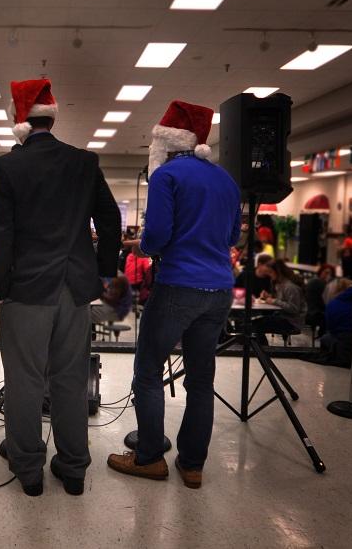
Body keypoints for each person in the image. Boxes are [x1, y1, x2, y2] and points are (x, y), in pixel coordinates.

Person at [0, 78, 121, 497]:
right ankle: (73, 468)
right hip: (74, 288)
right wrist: (101, 271)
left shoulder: (7, 167)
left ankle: (29, 470)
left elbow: (3, 234)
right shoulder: (84, 162)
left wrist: (0, 283)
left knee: (25, 379)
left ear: (19, 119)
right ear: (52, 116)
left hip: (27, 288)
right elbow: (111, 220)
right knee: (70, 378)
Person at [107, 100, 239, 488]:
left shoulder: (165, 176)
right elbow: (233, 237)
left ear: (165, 141)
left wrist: (143, 248)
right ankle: (193, 464)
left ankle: (149, 457)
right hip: (219, 290)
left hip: (178, 286)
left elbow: (159, 236)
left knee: (148, 371)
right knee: (201, 380)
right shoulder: (226, 179)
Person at [255, 259, 307, 342]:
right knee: (255, 322)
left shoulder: (290, 287)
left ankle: (261, 349)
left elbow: (294, 309)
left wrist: (274, 301)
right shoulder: (280, 284)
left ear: (278, 272)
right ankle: (261, 348)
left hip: (292, 322)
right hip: (283, 317)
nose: (270, 276)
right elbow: (282, 300)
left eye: (271, 273)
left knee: (256, 325)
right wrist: (269, 297)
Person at [305, 264, 335, 333]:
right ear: (321, 272)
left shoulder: (316, 281)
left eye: (330, 273)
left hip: (312, 312)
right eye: (326, 272)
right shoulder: (318, 282)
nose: (328, 275)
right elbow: (327, 300)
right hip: (314, 314)